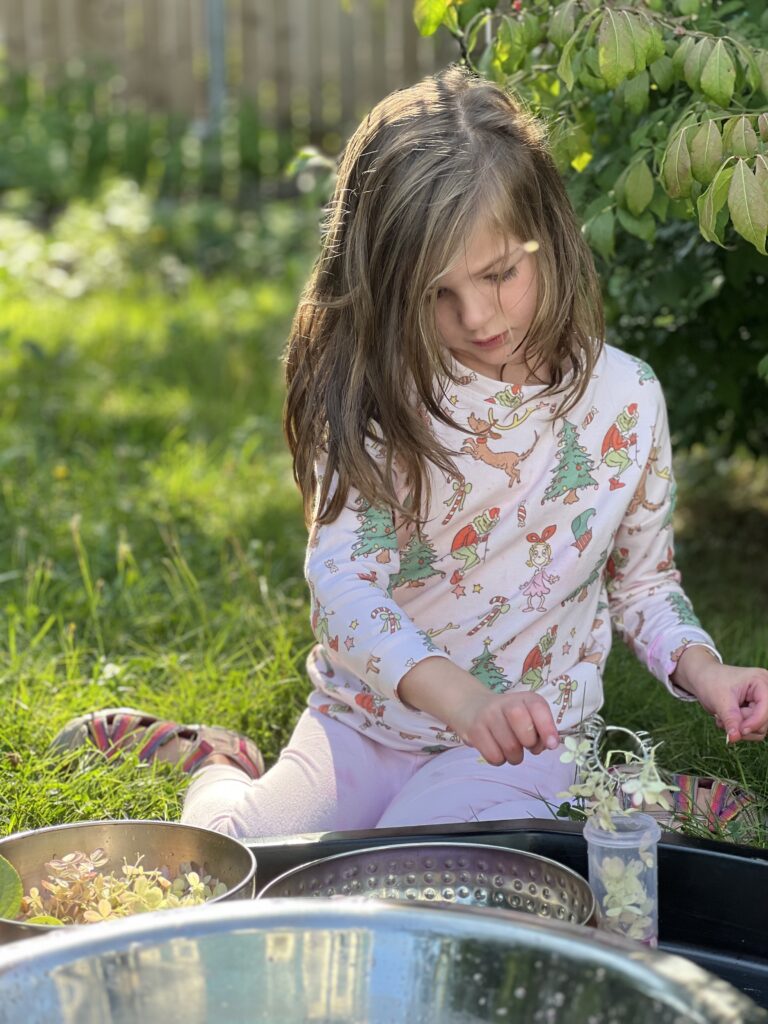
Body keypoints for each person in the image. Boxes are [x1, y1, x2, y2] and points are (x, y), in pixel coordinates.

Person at [55, 65, 768, 838]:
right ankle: (218, 766)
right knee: (240, 860)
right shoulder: (379, 393)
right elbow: (345, 585)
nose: (478, 316)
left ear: (551, 236)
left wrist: (705, 670)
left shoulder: (627, 400)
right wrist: (465, 701)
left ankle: (615, 792)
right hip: (367, 723)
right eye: (437, 293)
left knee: (418, 868)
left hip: (527, 743)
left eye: (501, 274)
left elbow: (643, 585)